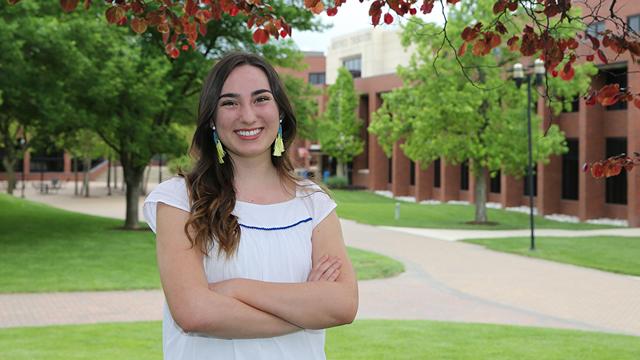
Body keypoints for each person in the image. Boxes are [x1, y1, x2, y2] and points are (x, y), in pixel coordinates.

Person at [143, 52, 358, 360]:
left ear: (280, 111)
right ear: (212, 120)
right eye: (229, 102)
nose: (247, 115)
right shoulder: (179, 200)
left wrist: (235, 289)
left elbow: (343, 305)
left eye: (260, 99)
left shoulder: (314, 203)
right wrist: (306, 311)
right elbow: (194, 313)